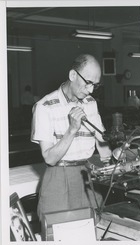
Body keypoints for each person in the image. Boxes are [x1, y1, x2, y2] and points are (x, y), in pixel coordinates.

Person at [31, 54, 112, 218]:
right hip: (59, 175)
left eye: (95, 85)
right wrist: (72, 130)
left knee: (93, 229)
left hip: (87, 175)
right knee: (60, 231)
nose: (90, 90)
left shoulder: (91, 103)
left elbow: (103, 144)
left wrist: (111, 152)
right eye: (88, 83)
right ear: (73, 75)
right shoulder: (44, 107)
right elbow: (49, 158)